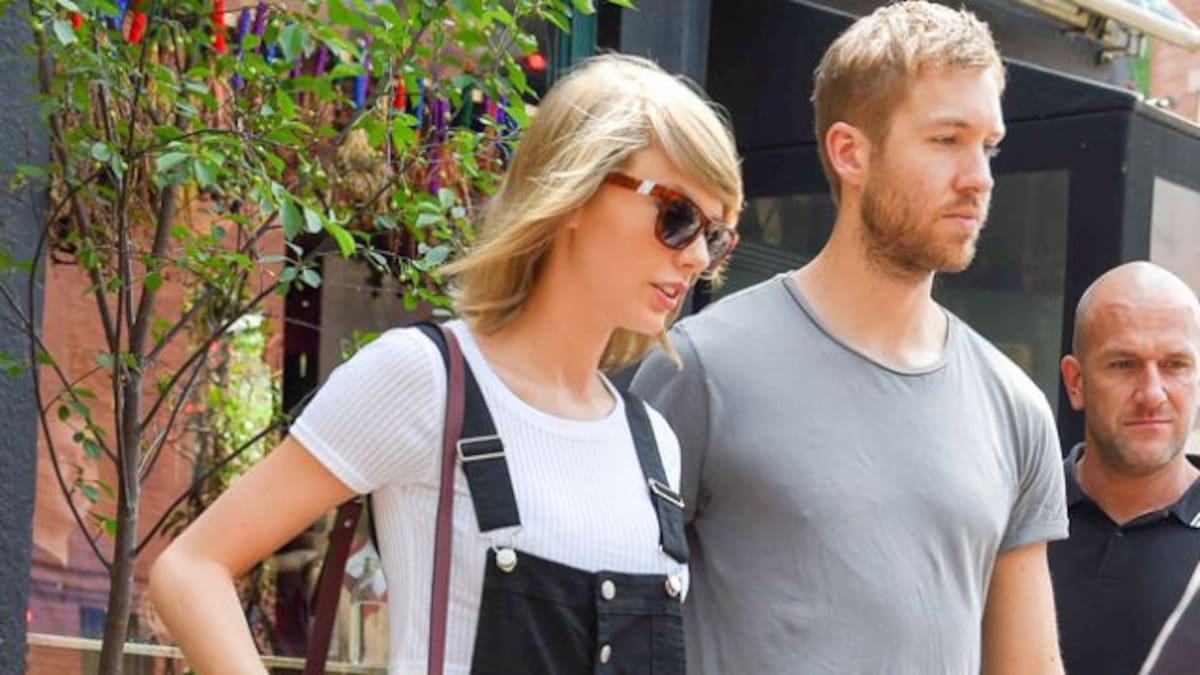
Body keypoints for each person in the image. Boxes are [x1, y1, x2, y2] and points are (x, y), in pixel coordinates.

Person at [150, 53, 743, 674]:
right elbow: (192, 568)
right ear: (575, 190)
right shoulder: (429, 381)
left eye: (716, 235)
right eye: (677, 217)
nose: (697, 258)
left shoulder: (654, 446)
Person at [630, 3, 1068, 673]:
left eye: (989, 146)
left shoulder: (1015, 409)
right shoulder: (701, 368)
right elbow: (616, 634)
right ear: (850, 152)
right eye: (946, 139)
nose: (979, 177)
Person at [1050, 261, 1200, 675]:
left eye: (1175, 365)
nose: (1152, 394)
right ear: (1076, 382)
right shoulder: (1014, 519)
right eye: (1123, 364)